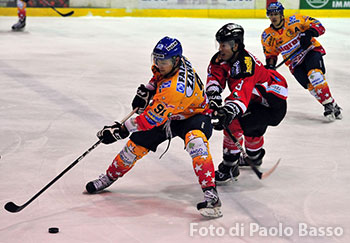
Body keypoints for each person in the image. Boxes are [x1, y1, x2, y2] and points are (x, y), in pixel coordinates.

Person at [85, 36, 222, 218]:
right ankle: (109, 177)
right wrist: (149, 89)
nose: (158, 64)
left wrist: (120, 130)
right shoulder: (176, 63)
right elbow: (158, 77)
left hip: (194, 115)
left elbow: (147, 120)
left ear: (175, 60)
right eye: (156, 59)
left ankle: (211, 195)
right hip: (170, 114)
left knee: (196, 144)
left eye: (162, 61)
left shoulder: (174, 90)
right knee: (133, 148)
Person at [206, 23, 288, 183]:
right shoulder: (222, 58)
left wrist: (226, 112)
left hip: (272, 105)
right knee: (252, 129)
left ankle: (229, 167)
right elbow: (215, 76)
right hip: (256, 100)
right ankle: (255, 157)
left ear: (235, 45)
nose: (220, 49)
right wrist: (214, 97)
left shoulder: (245, 66)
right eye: (219, 44)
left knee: (234, 123)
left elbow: (240, 96)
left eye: (224, 45)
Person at [261, 2, 342, 122]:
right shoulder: (267, 35)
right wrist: (271, 66)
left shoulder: (295, 20)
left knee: (315, 75)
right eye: (271, 14)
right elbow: (271, 54)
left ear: (281, 14)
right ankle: (333, 105)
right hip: (294, 63)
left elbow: (318, 25)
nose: (273, 17)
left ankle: (327, 105)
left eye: (276, 14)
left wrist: (309, 33)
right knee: (311, 87)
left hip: (310, 52)